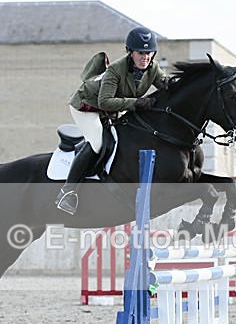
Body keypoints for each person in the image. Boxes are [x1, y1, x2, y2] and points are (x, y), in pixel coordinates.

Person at [55, 26, 169, 215]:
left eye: (149, 53)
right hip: (86, 106)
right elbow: (104, 101)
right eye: (141, 53)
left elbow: (166, 86)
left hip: (110, 110)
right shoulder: (116, 70)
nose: (145, 57)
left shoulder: (153, 68)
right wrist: (137, 102)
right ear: (130, 52)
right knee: (97, 142)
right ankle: (67, 192)